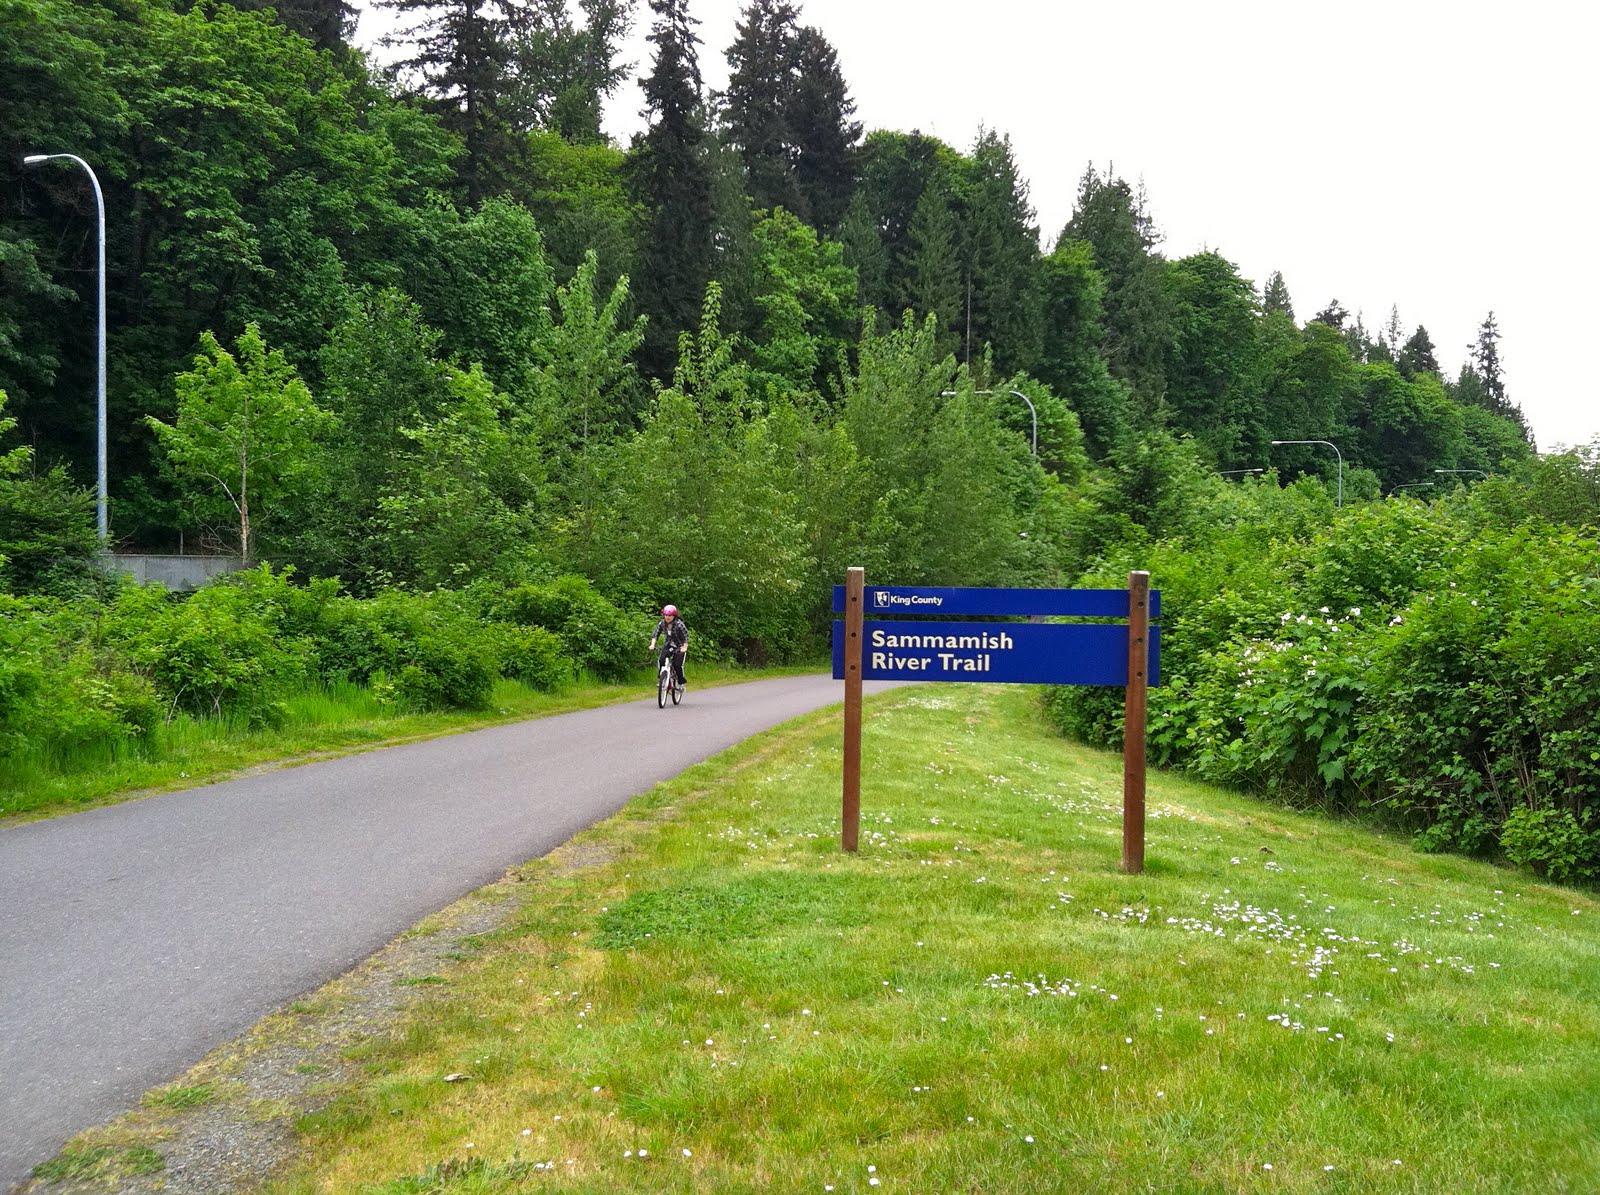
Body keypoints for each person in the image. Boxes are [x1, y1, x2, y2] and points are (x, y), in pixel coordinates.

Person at [649, 604, 689, 689]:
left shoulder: (679, 624)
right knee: (661, 659)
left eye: (670, 615)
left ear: (674, 616)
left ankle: (680, 683)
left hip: (679, 647)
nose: (667, 617)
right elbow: (656, 634)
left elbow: (685, 637)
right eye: (666, 615)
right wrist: (652, 645)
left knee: (677, 665)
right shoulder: (662, 624)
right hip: (669, 645)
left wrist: (684, 647)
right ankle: (662, 678)